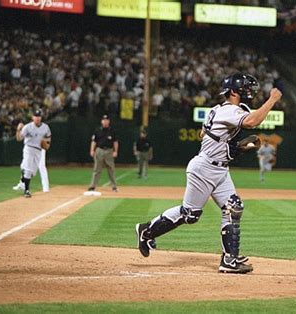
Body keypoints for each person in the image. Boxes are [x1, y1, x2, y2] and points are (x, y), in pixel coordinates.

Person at [135, 73, 282, 274]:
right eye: (245, 88)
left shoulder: (219, 109)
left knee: (233, 207)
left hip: (220, 169)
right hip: (204, 168)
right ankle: (146, 230)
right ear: (233, 92)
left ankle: (229, 260)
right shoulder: (229, 110)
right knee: (190, 214)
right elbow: (252, 122)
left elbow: (204, 134)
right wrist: (272, 99)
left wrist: (229, 147)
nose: (250, 92)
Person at [15, 109, 52, 198]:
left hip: (38, 151)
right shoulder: (27, 127)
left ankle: (23, 178)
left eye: (39, 116)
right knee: (28, 170)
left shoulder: (45, 127)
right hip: (29, 148)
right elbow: (19, 138)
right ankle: (26, 190)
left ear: (41, 117)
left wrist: (47, 144)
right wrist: (18, 129)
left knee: (32, 172)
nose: (37, 118)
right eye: (35, 116)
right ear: (32, 117)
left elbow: (48, 137)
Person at [88, 114, 119, 192]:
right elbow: (94, 141)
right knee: (97, 169)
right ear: (101, 121)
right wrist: (92, 150)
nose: (105, 122)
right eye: (104, 120)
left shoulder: (112, 131)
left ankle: (114, 186)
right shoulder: (98, 130)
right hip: (99, 150)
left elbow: (115, 142)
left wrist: (115, 151)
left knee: (111, 169)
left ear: (109, 121)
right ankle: (93, 186)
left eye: (106, 120)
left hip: (109, 151)